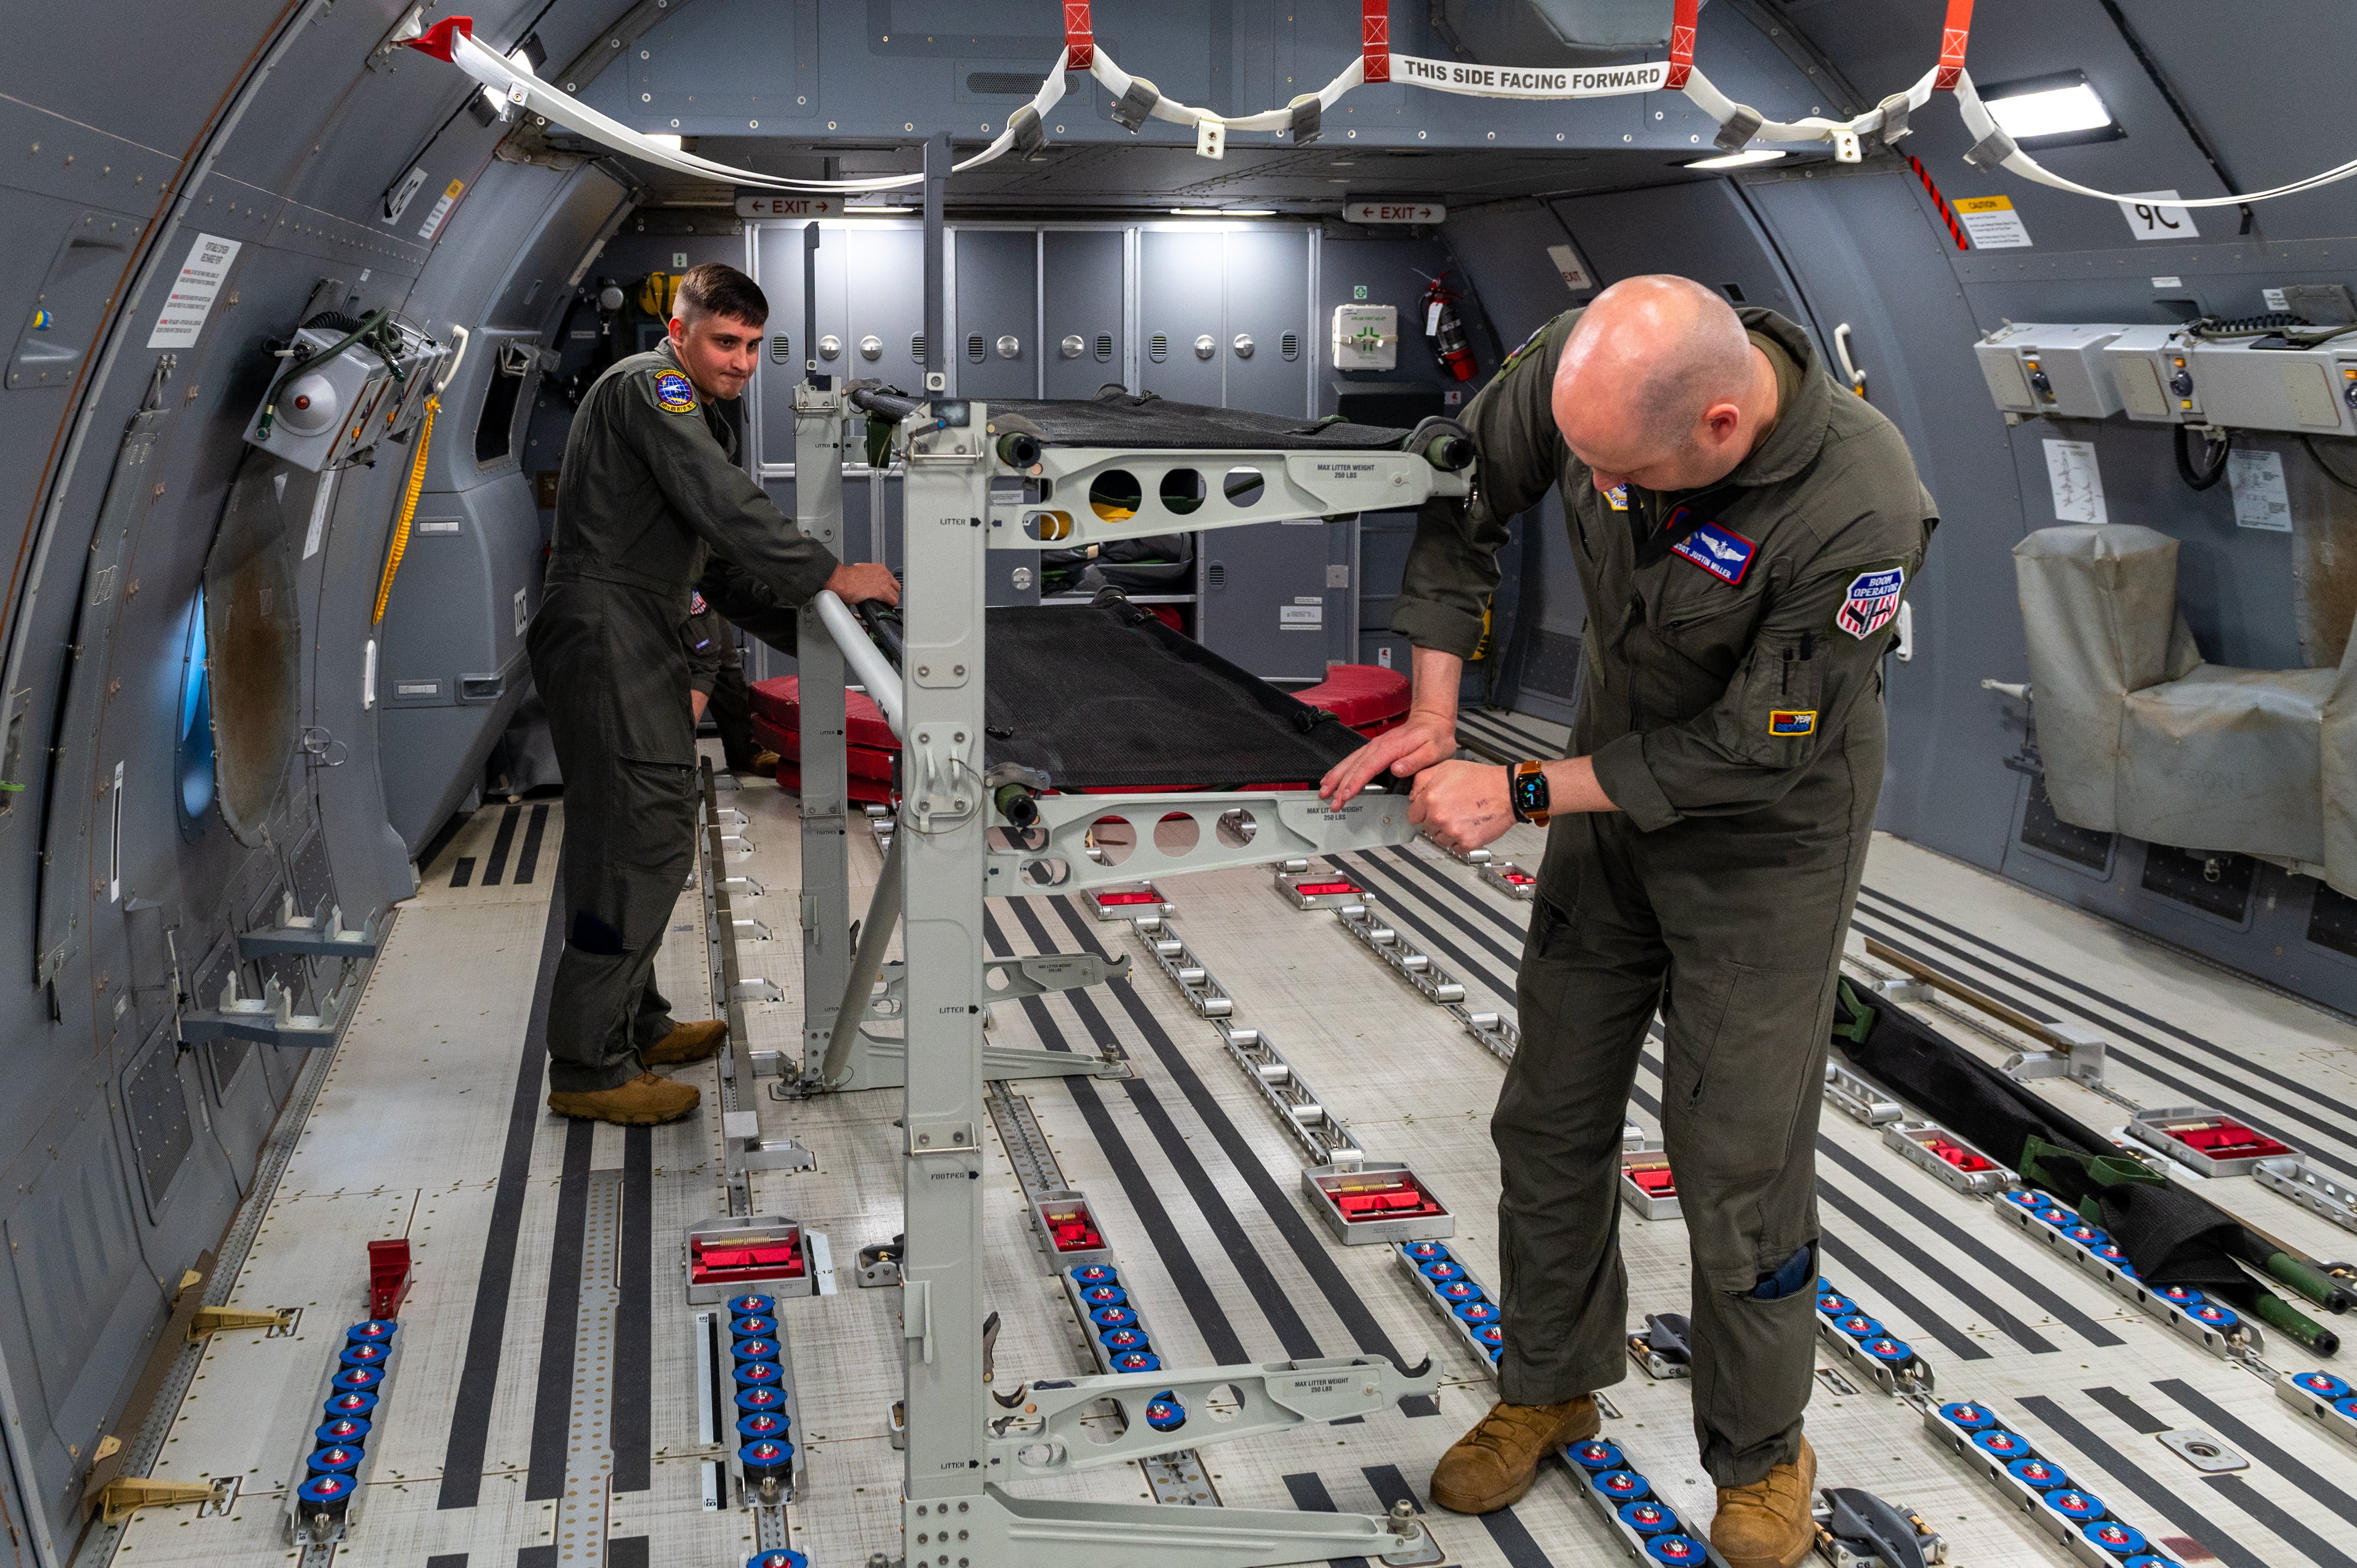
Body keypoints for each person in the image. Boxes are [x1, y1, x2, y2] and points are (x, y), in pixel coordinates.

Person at [1321, 276, 1935, 1568]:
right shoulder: (1589, 374)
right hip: (1608, 810)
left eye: (1626, 475)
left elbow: (1746, 752)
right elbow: (1465, 504)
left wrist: (1526, 789)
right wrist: (1437, 713)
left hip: (1767, 841)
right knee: (1549, 1113)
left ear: (1723, 428)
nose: (1604, 491)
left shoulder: (1858, 505)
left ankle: (1763, 1458)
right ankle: (1548, 1385)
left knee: (1736, 1161)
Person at [530, 262, 898, 1127]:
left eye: (755, 347)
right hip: (610, 629)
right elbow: (725, 506)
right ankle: (588, 1068)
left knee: (635, 834)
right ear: (682, 331)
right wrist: (831, 572)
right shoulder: (651, 388)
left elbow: (719, 565)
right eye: (726, 341)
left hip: (633, 628)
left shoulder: (694, 408)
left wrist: (821, 627)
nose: (740, 361)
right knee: (638, 838)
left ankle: (637, 1023)